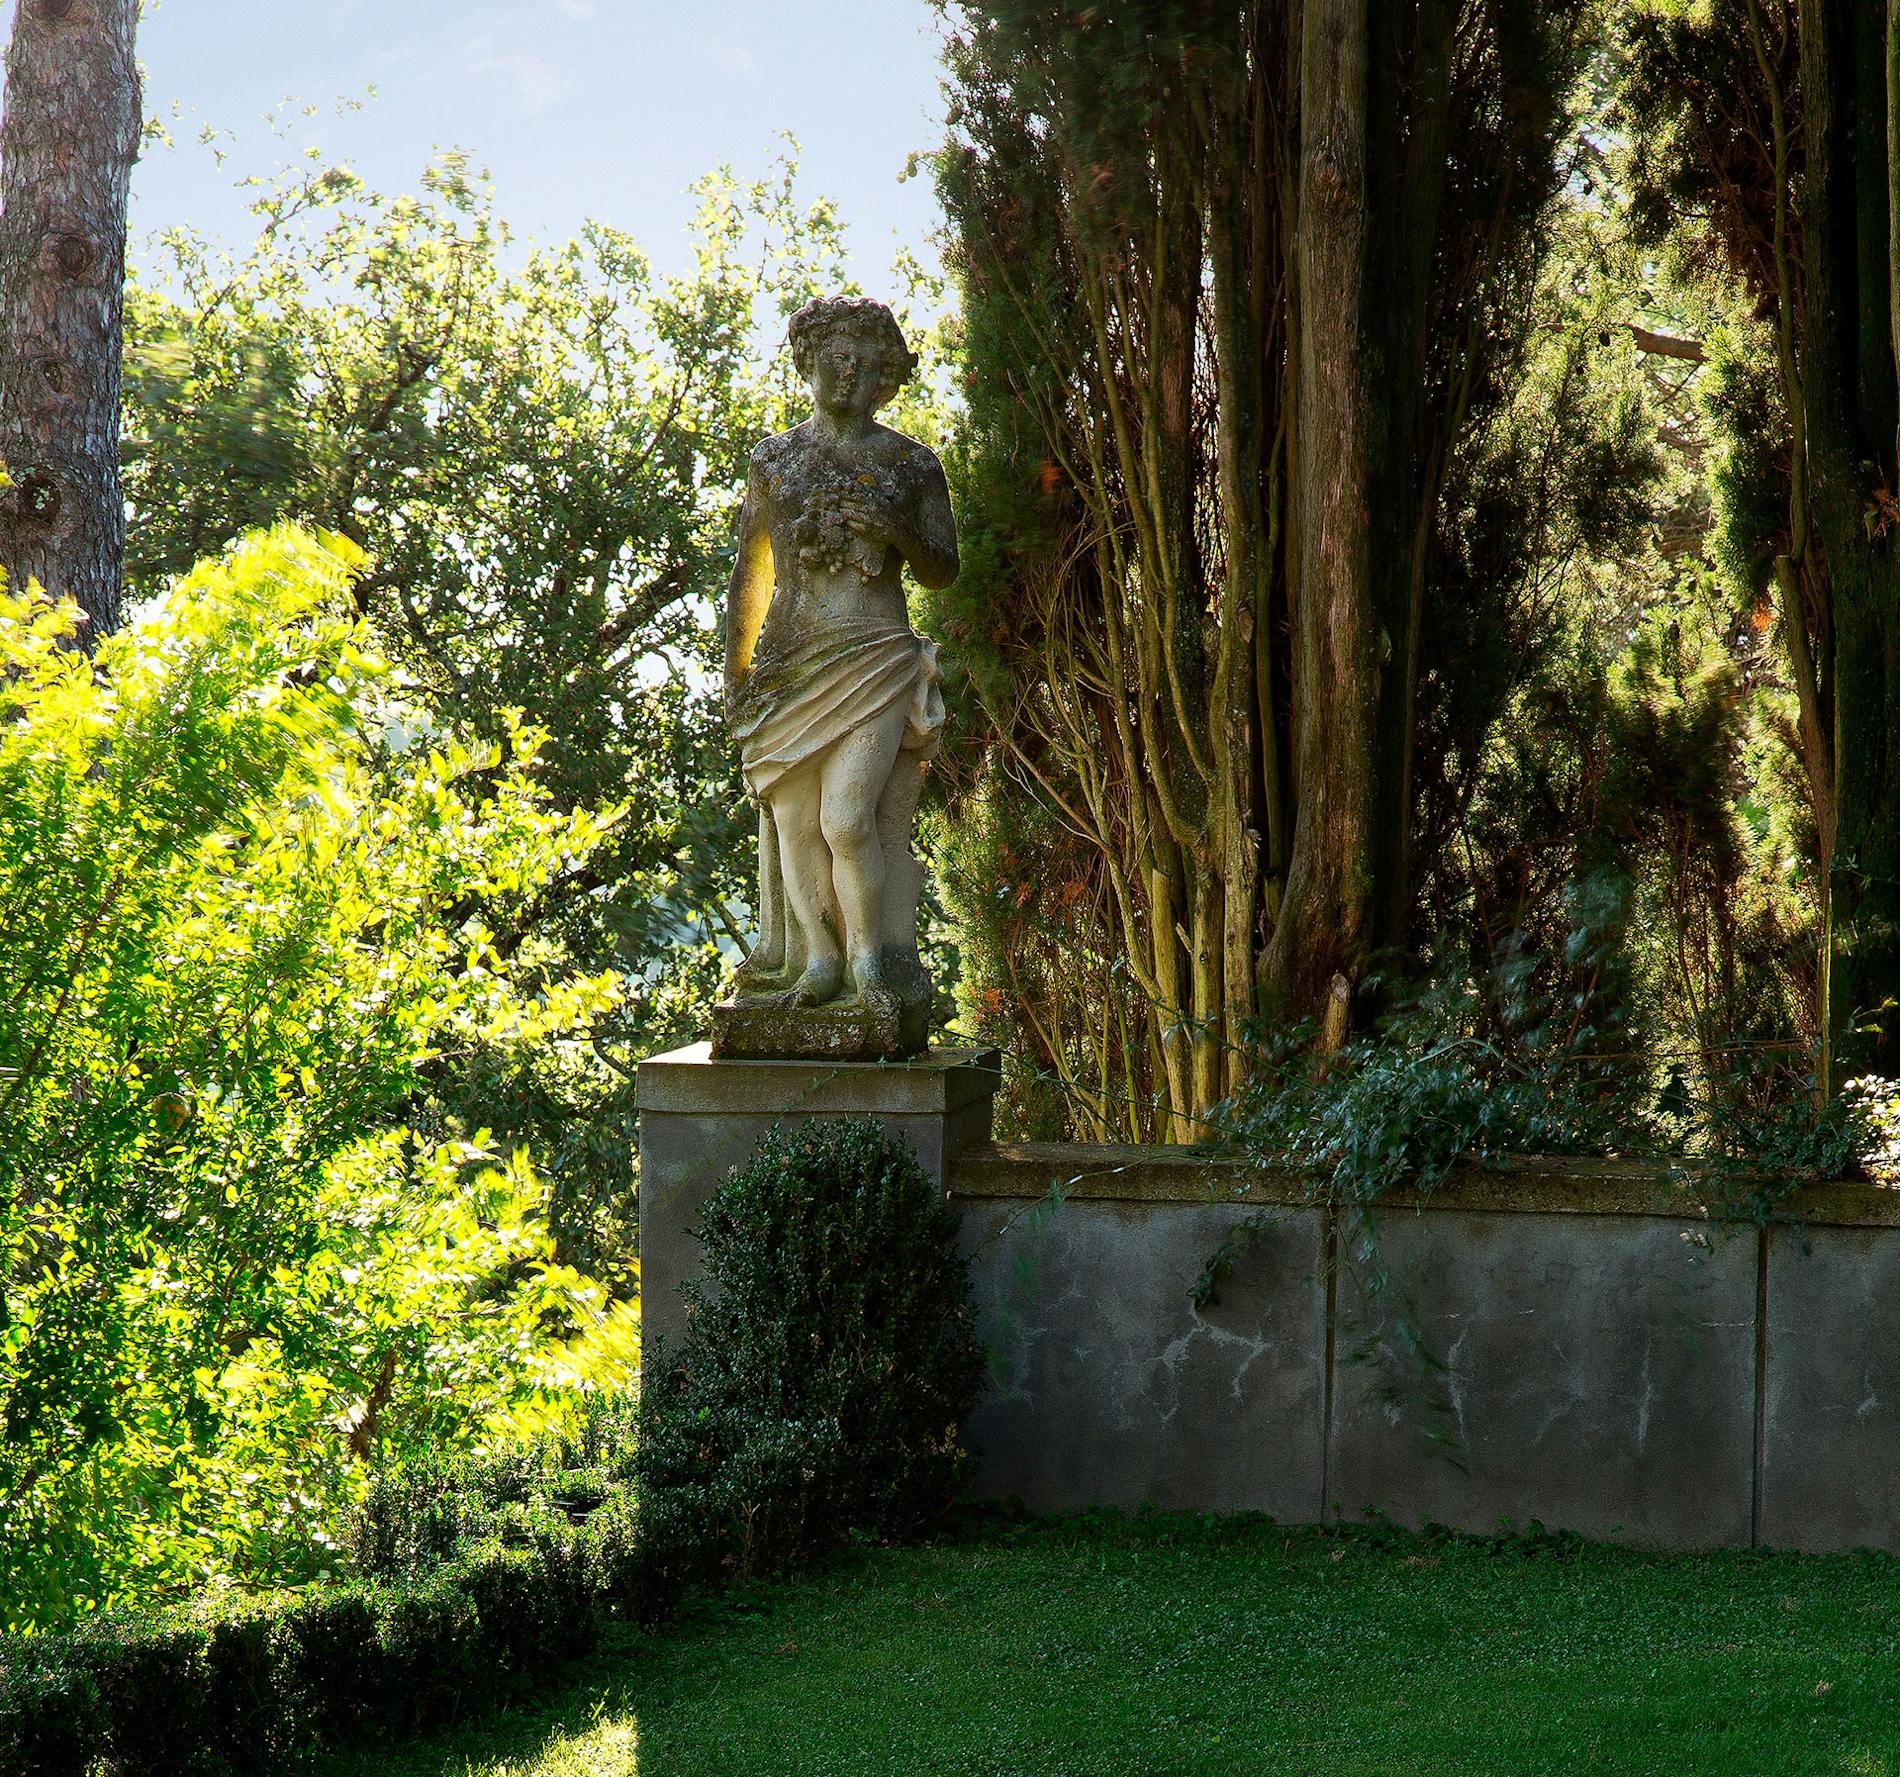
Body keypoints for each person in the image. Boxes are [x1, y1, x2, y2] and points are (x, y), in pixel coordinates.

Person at [721, 295, 958, 1038]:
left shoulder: (910, 463)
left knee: (848, 817)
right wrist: (733, 675)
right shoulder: (774, 459)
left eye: (864, 360)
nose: (848, 372)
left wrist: (896, 532)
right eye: (835, 358)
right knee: (794, 820)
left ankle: (868, 963)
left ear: (886, 373)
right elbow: (749, 575)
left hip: (875, 656)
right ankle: (817, 960)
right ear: (809, 363)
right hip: (789, 662)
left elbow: (943, 567)